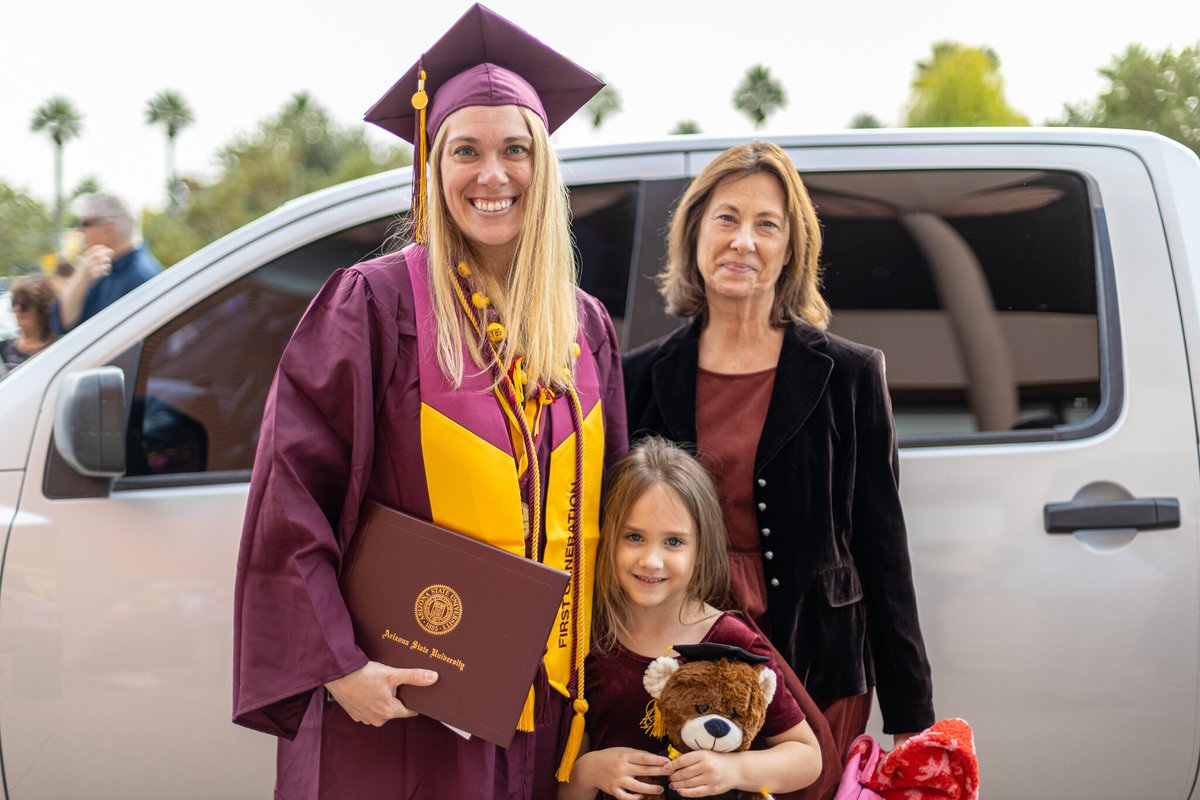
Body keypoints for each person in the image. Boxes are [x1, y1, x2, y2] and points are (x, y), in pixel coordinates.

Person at [232, 5, 627, 798]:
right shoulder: (375, 306)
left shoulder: (582, 326)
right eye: (466, 151)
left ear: (543, 170)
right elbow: (290, 495)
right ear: (431, 166)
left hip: (549, 711)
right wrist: (339, 667)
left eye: (516, 150)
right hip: (403, 707)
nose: (493, 175)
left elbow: (610, 506)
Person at [622, 142, 935, 766]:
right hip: (680, 657)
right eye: (727, 219)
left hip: (819, 658)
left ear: (792, 249)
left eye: (767, 225)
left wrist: (911, 715)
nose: (744, 241)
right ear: (694, 234)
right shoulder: (637, 377)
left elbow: (883, 550)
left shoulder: (849, 375)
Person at [561, 437, 822, 800]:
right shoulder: (588, 641)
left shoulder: (733, 642)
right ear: (607, 537)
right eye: (634, 536)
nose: (651, 560)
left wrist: (734, 770)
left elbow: (807, 757)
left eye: (673, 542)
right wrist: (587, 772)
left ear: (701, 549)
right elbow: (569, 786)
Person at [52, 192, 162, 333]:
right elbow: (62, 322)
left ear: (109, 230)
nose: (79, 230)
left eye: (85, 223)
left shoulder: (141, 277)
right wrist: (82, 277)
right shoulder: (107, 269)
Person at [1, 274, 58, 373]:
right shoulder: (3, 349)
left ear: (42, 309)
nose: (17, 309)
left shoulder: (58, 348)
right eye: (14, 302)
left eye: (24, 305)